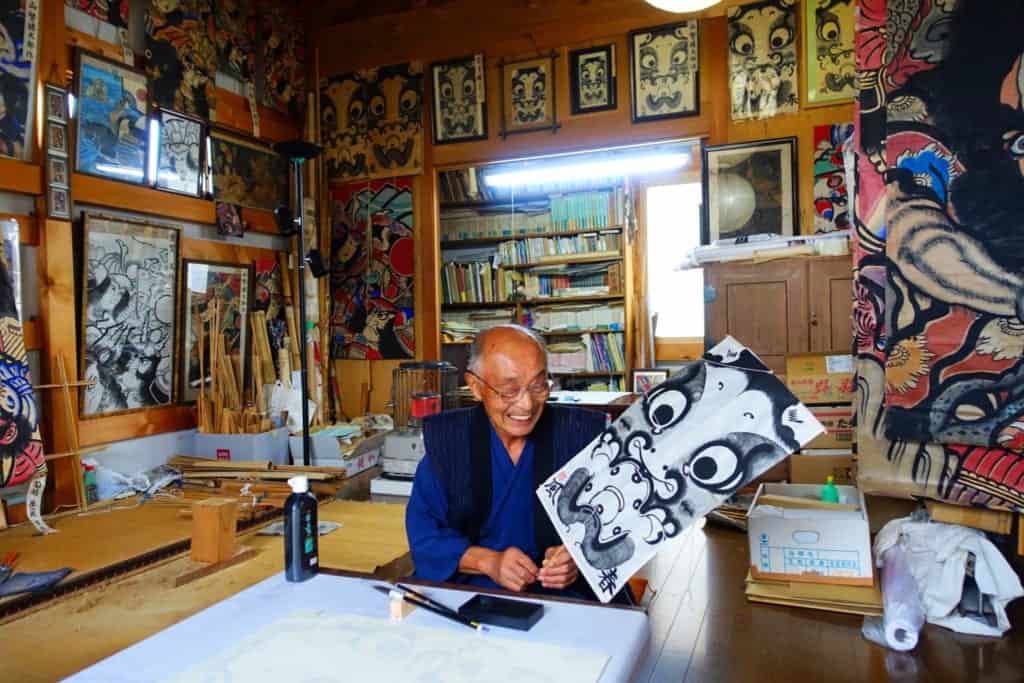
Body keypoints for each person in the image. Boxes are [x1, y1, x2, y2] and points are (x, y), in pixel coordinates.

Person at [405, 324, 617, 601]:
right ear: (476, 387)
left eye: (538, 386)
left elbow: (618, 523)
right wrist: (487, 561)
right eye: (509, 390)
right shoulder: (449, 444)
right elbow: (424, 536)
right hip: (469, 593)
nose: (527, 404)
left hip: (562, 598)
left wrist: (577, 556)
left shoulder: (581, 437)